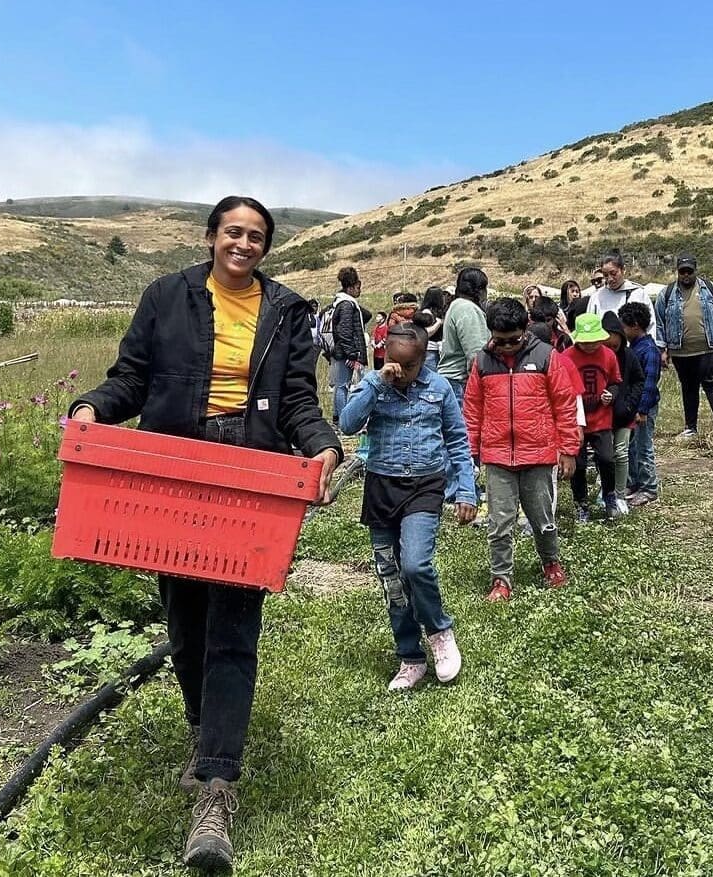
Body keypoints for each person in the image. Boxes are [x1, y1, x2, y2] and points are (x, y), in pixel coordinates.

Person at [69, 196, 341, 872]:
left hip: (251, 470)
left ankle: (216, 784)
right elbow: (132, 377)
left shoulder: (285, 310)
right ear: (211, 236)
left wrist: (323, 445)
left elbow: (300, 399)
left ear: (266, 248)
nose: (242, 244)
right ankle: (204, 730)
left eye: (255, 236)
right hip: (176, 470)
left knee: (233, 627)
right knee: (185, 624)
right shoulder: (167, 296)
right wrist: (91, 408)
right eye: (232, 232)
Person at [339, 317, 477, 690]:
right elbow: (348, 424)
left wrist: (466, 489)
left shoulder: (440, 388)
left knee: (415, 565)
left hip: (424, 486)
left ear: (423, 360)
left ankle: (439, 632)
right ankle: (410, 657)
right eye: (394, 364)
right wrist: (375, 382)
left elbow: (458, 440)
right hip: (382, 486)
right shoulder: (375, 383)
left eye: (409, 367)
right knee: (392, 580)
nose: (401, 373)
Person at [464, 298, 579, 602]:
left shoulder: (546, 356)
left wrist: (568, 448)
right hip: (498, 456)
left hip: (539, 454)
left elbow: (565, 405)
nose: (507, 347)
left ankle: (551, 563)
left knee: (543, 519)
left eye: (514, 340)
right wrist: (469, 452)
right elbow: (472, 410)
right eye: (500, 342)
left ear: (526, 328)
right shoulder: (481, 362)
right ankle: (501, 579)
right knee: (499, 523)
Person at [654, 253, 713, 439]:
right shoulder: (667, 293)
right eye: (682, 272)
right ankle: (691, 427)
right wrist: (662, 349)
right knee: (688, 388)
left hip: (710, 349)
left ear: (695, 271)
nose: (686, 275)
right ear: (677, 272)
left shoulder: (710, 289)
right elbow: (660, 323)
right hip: (681, 352)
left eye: (689, 271)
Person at [563, 313, 623, 522]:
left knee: (606, 458)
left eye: (594, 341)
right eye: (585, 342)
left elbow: (616, 382)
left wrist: (611, 395)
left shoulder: (608, 356)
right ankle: (581, 503)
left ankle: (609, 494)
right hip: (575, 420)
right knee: (577, 464)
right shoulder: (567, 357)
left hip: (601, 417)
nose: (589, 346)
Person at [601, 312, 645, 517]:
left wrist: (630, 405)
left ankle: (619, 494)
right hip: (601, 415)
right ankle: (606, 491)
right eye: (607, 346)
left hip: (624, 414)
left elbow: (638, 381)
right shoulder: (597, 357)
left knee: (621, 453)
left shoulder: (629, 356)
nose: (611, 350)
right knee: (605, 456)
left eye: (615, 346)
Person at [619, 301, 662, 506]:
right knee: (632, 446)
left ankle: (649, 488)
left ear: (635, 325)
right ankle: (634, 482)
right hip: (634, 406)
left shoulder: (649, 350)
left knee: (644, 447)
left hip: (644, 408)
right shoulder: (635, 347)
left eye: (624, 326)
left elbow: (649, 384)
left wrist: (643, 410)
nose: (622, 330)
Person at [437, 267, 490, 405]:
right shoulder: (467, 309)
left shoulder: (456, 305)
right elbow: (476, 355)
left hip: (451, 381)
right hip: (460, 382)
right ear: (479, 290)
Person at [327, 266, 368, 427]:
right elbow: (345, 331)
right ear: (350, 287)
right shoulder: (346, 305)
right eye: (358, 287)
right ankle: (344, 423)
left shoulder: (343, 303)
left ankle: (338, 419)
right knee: (343, 386)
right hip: (345, 353)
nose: (359, 291)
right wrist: (352, 354)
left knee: (340, 385)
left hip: (341, 352)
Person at [586, 252, 657, 339]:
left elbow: (650, 327)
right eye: (606, 275)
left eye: (613, 273)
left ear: (623, 270)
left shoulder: (638, 294)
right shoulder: (596, 297)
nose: (610, 279)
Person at [419, 286, 449, 370]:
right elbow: (426, 332)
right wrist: (438, 323)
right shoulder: (426, 312)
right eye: (442, 295)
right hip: (430, 351)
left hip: (437, 350)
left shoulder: (439, 311)